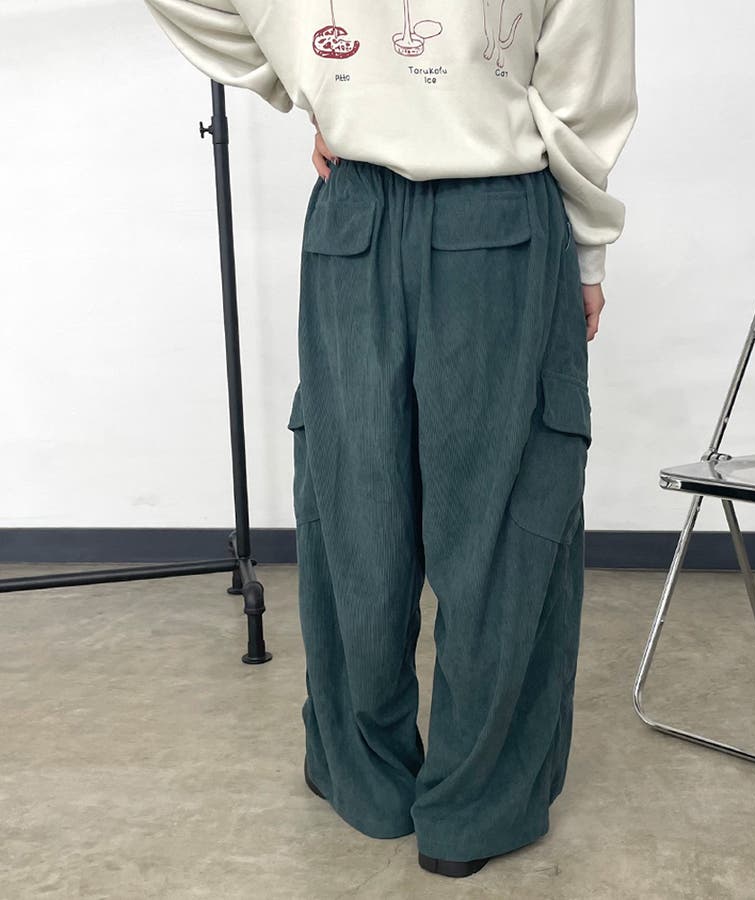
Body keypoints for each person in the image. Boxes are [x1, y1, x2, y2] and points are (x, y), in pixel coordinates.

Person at [143, 0, 637, 879]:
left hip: (355, 212)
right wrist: (588, 252)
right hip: (498, 218)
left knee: (354, 500)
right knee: (501, 515)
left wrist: (322, 82)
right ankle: (477, 807)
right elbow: (583, 77)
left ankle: (364, 777)